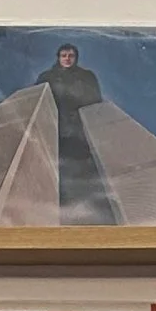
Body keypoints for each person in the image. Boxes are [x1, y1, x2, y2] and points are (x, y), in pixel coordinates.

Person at [37, 42, 120, 224]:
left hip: (82, 131)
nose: (67, 59)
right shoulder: (47, 77)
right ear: (58, 58)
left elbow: (95, 101)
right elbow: (38, 101)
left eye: (71, 55)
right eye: (64, 55)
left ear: (76, 58)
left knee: (90, 173)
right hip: (56, 130)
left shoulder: (86, 76)